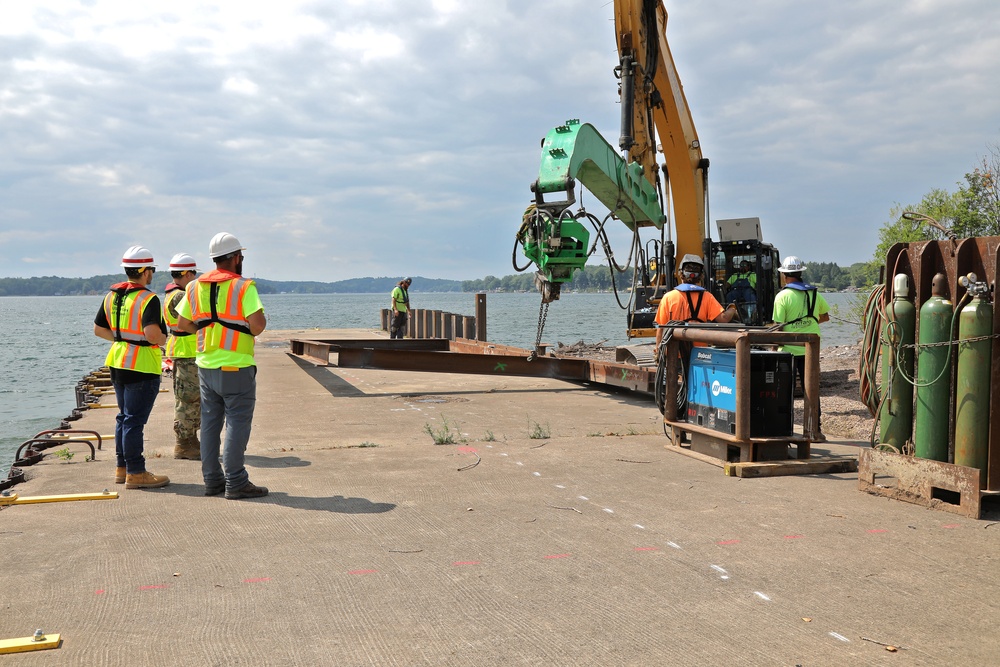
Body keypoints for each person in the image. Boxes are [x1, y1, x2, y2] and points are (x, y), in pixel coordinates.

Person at [176, 232, 268, 500]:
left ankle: (212, 481)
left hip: (206, 365)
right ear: (237, 257)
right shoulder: (243, 286)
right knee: (238, 423)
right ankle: (236, 481)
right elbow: (258, 327)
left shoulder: (193, 287)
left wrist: (208, 331)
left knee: (210, 423)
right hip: (237, 366)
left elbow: (182, 324)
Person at [93, 245, 170, 489]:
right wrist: (162, 339)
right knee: (134, 422)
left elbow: (98, 329)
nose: (153, 274)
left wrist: (122, 339)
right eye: (153, 270)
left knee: (123, 418)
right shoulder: (148, 298)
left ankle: (122, 468)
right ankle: (136, 472)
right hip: (142, 365)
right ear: (145, 271)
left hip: (117, 360)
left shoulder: (112, 296)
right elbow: (150, 333)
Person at [771, 255, 830, 431]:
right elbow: (825, 316)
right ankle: (814, 429)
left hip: (788, 351)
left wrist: (773, 349)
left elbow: (777, 327)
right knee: (811, 390)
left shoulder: (782, 296)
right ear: (799, 273)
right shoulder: (814, 293)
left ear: (784, 275)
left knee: (785, 391)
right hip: (810, 349)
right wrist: (807, 323)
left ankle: (783, 427)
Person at [654, 253, 737, 353]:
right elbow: (724, 319)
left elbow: (660, 328)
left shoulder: (668, 297)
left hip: (674, 354)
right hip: (700, 354)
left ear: (681, 274)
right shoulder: (707, 296)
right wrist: (732, 308)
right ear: (701, 276)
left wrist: (658, 351)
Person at [163, 253, 201, 460]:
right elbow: (190, 321)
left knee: (189, 399)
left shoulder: (172, 293)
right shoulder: (181, 296)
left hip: (182, 350)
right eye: (194, 274)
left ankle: (189, 441)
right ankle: (184, 443)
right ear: (187, 273)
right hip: (187, 352)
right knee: (188, 400)